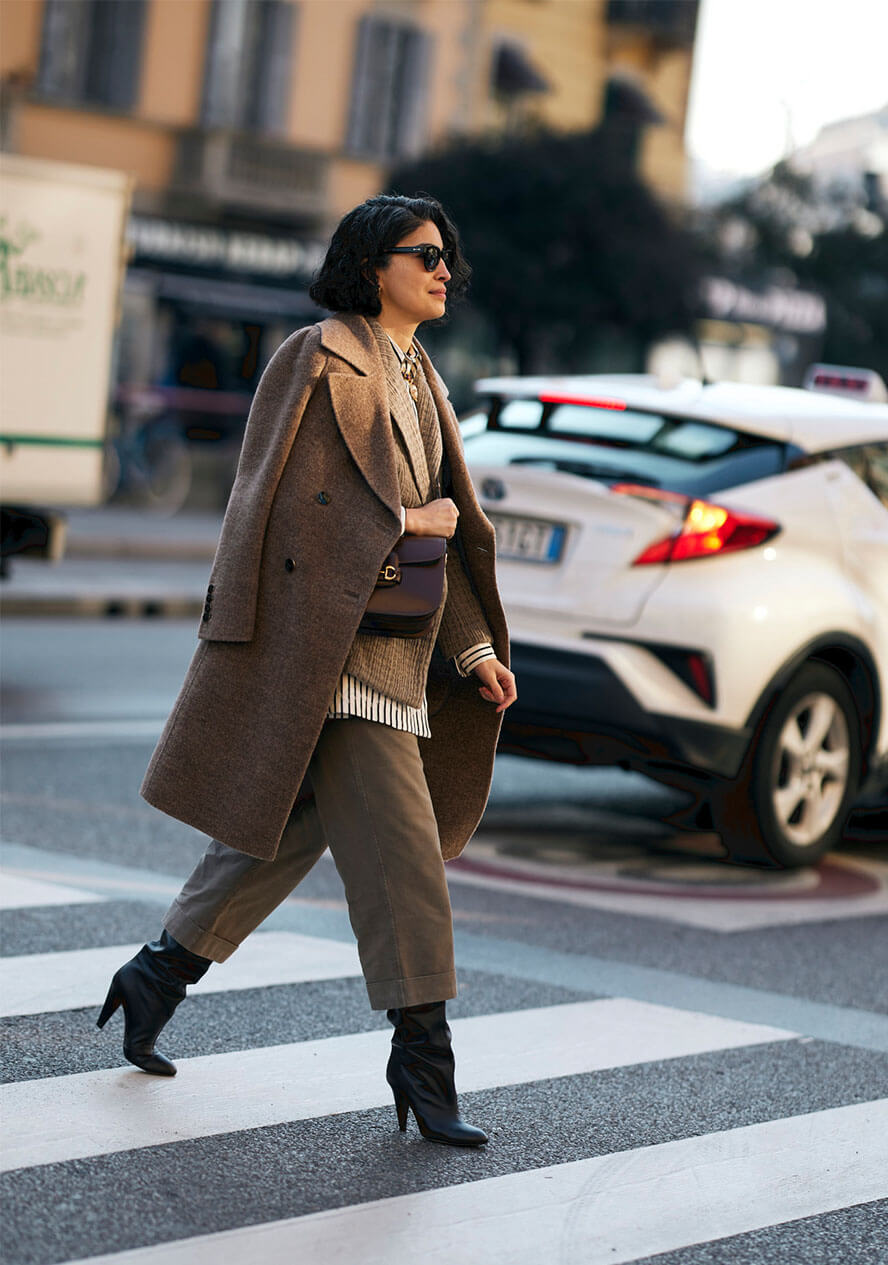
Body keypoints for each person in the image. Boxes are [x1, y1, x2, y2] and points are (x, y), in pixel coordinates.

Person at [97, 193, 517, 1148]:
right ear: (375, 265)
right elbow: (271, 504)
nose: (445, 268)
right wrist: (407, 523)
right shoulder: (316, 355)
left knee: (283, 831)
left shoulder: (423, 377)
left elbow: (442, 547)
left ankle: (156, 974)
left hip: (393, 648)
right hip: (328, 652)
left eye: (449, 255)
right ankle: (424, 1057)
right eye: (425, 254)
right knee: (405, 859)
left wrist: (475, 649)